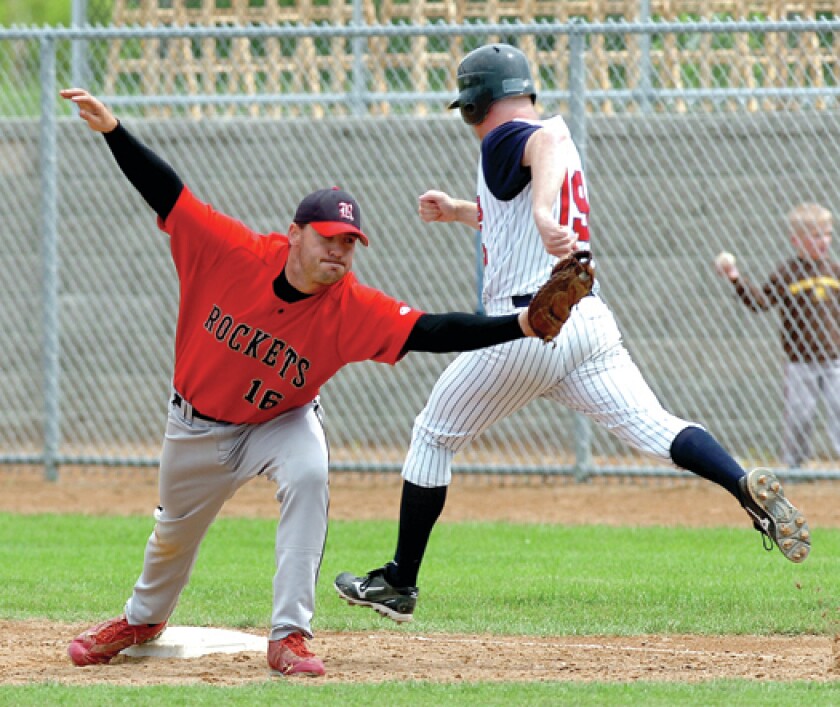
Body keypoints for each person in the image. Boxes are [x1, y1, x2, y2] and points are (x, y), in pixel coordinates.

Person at [59, 87, 544, 677]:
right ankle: (141, 618)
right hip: (194, 423)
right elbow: (165, 191)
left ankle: (289, 635)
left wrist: (521, 323)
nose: (338, 251)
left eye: (348, 242)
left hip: (280, 422)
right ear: (294, 234)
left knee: (310, 474)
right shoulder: (229, 253)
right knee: (171, 536)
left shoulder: (351, 307)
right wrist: (114, 130)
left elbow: (432, 329)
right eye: (326, 237)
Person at [334, 43, 811, 624]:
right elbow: (524, 189)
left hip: (529, 326)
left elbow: (546, 147)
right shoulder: (532, 145)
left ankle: (399, 583)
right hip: (588, 322)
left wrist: (540, 214)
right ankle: (742, 486)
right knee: (655, 426)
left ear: (477, 103)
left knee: (432, 435)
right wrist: (462, 210)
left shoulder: (510, 135)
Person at [714, 203, 840, 468]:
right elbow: (760, 302)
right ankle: (795, 466)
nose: (824, 241)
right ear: (796, 240)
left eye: (827, 234)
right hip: (800, 361)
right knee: (800, 416)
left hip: (834, 358)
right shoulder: (787, 273)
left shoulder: (834, 271)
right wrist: (736, 278)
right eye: (816, 235)